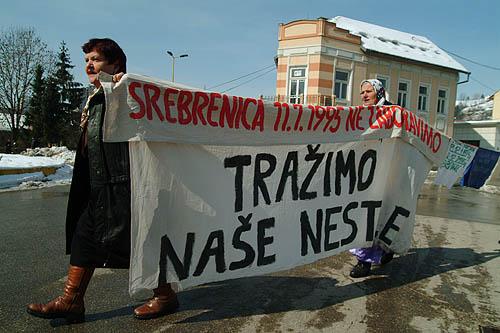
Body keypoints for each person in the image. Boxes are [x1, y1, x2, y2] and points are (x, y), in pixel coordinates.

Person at [27, 38, 178, 323]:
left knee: (136, 241)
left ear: (115, 64)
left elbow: (155, 114)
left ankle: (165, 295)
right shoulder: (96, 96)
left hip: (124, 185)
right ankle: (72, 300)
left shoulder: (127, 92)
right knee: (85, 237)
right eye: (86, 61)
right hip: (98, 184)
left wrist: (129, 85)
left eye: (95, 59)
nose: (89, 65)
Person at [349, 79, 395, 278]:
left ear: (379, 92)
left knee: (377, 216)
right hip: (365, 173)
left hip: (385, 172)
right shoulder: (360, 114)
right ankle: (374, 255)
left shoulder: (392, 112)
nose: (365, 95)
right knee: (365, 216)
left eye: (369, 91)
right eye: (362, 92)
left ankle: (370, 258)